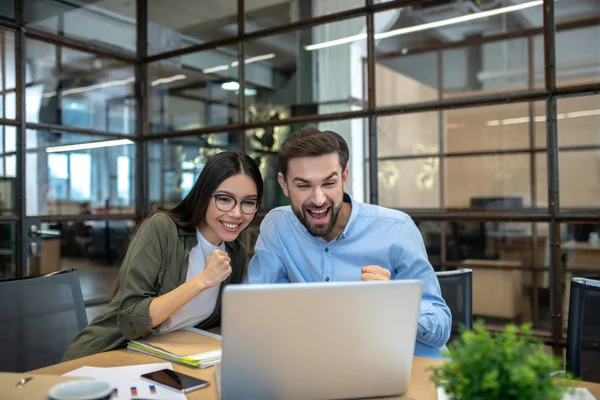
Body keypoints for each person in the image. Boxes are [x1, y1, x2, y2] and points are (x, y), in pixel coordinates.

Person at [245, 128, 451, 359]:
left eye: (329, 183)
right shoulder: (278, 226)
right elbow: (256, 311)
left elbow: (441, 329)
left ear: (344, 178)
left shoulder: (397, 229)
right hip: (325, 363)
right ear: (284, 185)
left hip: (408, 365)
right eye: (303, 186)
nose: (319, 199)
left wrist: (395, 300)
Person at [63, 151, 263, 361]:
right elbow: (132, 318)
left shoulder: (235, 252)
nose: (237, 213)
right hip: (109, 353)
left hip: (171, 357)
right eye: (225, 199)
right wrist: (202, 280)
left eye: (248, 202)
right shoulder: (161, 229)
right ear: (204, 195)